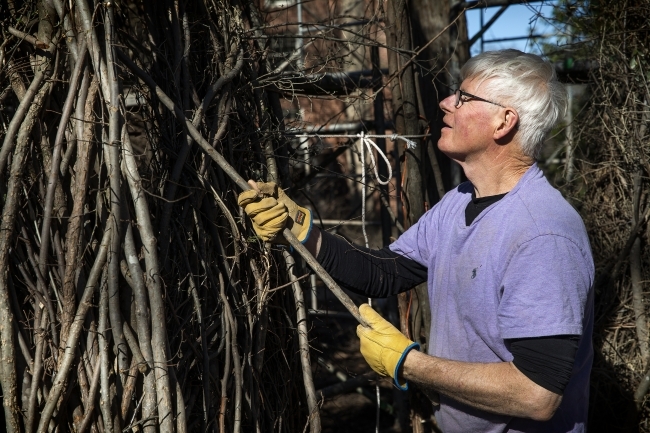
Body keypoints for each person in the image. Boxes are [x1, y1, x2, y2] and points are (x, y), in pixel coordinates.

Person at [238, 49, 594, 433]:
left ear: (503, 122)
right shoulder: (459, 202)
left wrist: (408, 364)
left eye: (463, 97)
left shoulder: (542, 235)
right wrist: (301, 231)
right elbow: (386, 273)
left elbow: (536, 394)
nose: (445, 103)